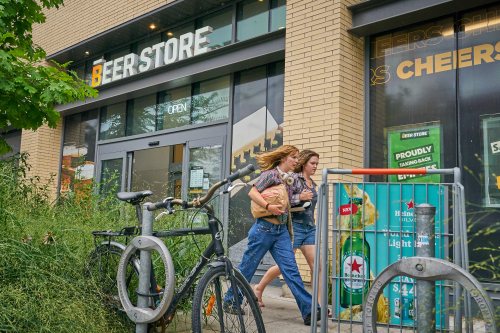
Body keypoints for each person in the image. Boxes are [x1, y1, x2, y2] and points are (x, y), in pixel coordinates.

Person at [224, 145, 320, 326]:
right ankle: (230, 301)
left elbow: (289, 202)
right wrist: (268, 207)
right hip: (263, 229)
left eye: (298, 158)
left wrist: (300, 199)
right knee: (247, 268)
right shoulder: (271, 175)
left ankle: (310, 311)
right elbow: (251, 191)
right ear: (284, 158)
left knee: (291, 271)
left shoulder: (290, 179)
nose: (296, 161)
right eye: (294, 157)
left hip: (281, 231)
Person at [253, 150, 325, 311]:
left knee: (317, 265)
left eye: (317, 164)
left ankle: (318, 306)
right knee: (284, 265)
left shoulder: (313, 183)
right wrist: (299, 198)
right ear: (304, 163)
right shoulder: (293, 180)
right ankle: (259, 288)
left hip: (309, 228)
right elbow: (283, 201)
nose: (315, 166)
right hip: (294, 226)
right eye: (312, 163)